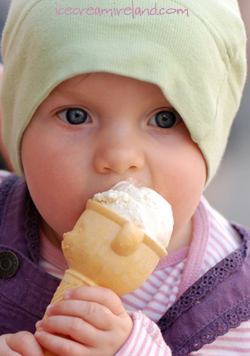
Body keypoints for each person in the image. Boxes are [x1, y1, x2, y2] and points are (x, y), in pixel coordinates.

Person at [0, 0, 248, 355]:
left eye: (165, 119)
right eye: (75, 115)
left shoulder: (234, 300)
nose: (119, 157)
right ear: (18, 129)